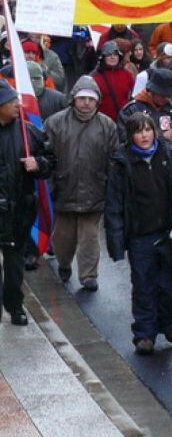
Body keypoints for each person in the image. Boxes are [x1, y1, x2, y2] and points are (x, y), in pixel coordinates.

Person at [105, 112, 172, 355]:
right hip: (140, 234)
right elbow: (114, 204)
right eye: (138, 131)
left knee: (171, 285)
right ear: (130, 135)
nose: (144, 136)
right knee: (144, 284)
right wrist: (115, 241)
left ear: (154, 131)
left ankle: (168, 323)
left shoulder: (171, 152)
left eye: (147, 130)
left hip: (169, 230)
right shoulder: (121, 162)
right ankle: (144, 333)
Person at [44, 76, 118, 293]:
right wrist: (50, 185)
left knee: (89, 238)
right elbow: (46, 156)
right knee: (64, 238)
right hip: (63, 190)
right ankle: (64, 264)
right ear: (73, 99)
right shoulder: (56, 122)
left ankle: (88, 275)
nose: (86, 103)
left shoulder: (107, 125)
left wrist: (110, 186)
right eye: (82, 98)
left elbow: (113, 159)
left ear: (97, 101)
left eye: (91, 99)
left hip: (94, 191)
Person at [0, 82, 54, 325]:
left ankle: (14, 305)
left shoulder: (28, 131)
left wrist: (38, 163)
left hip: (19, 211)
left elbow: (50, 159)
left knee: (14, 266)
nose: (17, 105)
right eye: (11, 101)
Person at [118, 67, 172, 150]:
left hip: (170, 159)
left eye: (169, 95)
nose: (166, 98)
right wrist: (161, 138)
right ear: (151, 91)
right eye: (162, 95)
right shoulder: (131, 110)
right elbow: (125, 141)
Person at [92, 40, 135, 120]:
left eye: (115, 54)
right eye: (109, 55)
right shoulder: (94, 77)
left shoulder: (127, 75)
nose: (112, 57)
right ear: (103, 57)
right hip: (102, 121)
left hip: (123, 120)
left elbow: (133, 97)